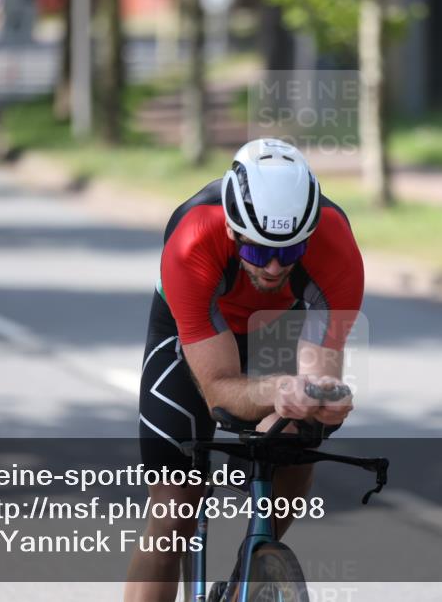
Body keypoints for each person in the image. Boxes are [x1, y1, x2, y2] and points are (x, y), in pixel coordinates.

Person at [125, 138, 364, 601]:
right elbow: (218, 391)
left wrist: (321, 402)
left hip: (278, 327)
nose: (273, 267)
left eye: (289, 252)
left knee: (298, 436)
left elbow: (318, 377)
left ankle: (245, 581)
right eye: (258, 252)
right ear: (234, 230)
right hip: (194, 333)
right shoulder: (192, 239)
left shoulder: (336, 248)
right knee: (173, 519)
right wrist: (278, 390)